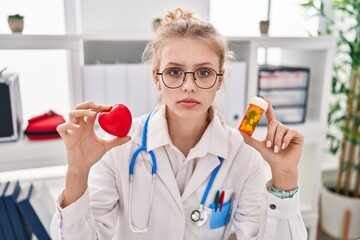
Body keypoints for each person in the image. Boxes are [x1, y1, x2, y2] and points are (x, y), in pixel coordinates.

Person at [50, 7, 307, 240]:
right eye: (174, 72)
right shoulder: (119, 148)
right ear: (156, 78)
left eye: (203, 72)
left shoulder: (243, 154)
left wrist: (285, 178)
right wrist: (77, 172)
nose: (188, 85)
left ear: (219, 79)